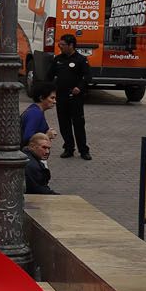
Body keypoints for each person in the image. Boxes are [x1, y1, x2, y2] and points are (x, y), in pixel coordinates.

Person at [52, 31, 91, 160]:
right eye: (59, 44)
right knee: (64, 124)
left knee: (78, 124)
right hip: (61, 97)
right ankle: (68, 148)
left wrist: (79, 88)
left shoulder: (81, 60)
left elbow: (87, 77)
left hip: (75, 98)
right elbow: (49, 76)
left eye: (62, 44)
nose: (60, 46)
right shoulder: (58, 59)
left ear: (71, 45)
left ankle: (83, 150)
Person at [24, 129, 54, 195]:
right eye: (44, 148)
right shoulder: (32, 166)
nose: (47, 152)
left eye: (49, 148)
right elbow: (39, 190)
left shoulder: (29, 157)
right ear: (32, 146)